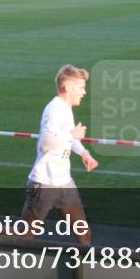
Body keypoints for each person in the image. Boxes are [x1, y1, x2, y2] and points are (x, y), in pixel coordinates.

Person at [21, 64, 98, 245]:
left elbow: (67, 138)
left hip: (64, 184)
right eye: (81, 88)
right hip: (44, 185)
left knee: (84, 234)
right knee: (24, 236)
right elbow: (47, 143)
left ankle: (82, 271)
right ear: (67, 88)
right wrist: (72, 135)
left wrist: (84, 153)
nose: (84, 92)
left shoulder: (65, 108)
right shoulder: (54, 109)